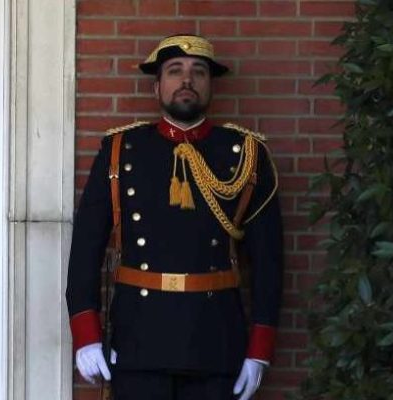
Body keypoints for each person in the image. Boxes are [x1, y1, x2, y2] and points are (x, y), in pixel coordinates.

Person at [64, 34, 282, 400]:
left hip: (215, 341)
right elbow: (87, 247)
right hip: (139, 340)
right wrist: (86, 334)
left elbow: (268, 260)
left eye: (198, 72)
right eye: (175, 70)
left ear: (210, 86)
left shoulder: (246, 154)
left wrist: (259, 349)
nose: (187, 80)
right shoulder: (120, 150)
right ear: (157, 87)